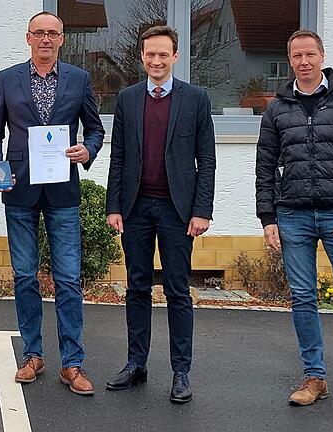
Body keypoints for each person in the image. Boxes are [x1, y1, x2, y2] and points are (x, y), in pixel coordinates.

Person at [255, 29, 333, 425]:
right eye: (297, 56)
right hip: (291, 216)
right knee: (303, 299)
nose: (304, 61)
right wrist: (268, 218)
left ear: (322, 56)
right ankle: (314, 378)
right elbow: (264, 166)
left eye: (311, 54)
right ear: (290, 60)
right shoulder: (278, 108)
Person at [0, 11, 104, 396]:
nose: (46, 39)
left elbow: (95, 128)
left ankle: (72, 363)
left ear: (62, 39)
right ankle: (33, 355)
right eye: (39, 33)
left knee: (68, 279)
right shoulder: (8, 79)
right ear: (28, 38)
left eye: (53, 33)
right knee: (24, 276)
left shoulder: (79, 79)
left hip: (63, 193)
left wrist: (88, 150)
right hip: (18, 190)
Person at [104, 26, 215, 404]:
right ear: (141, 56)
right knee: (136, 287)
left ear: (175, 57)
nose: (156, 61)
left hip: (177, 211)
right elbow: (118, 155)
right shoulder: (128, 98)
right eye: (150, 54)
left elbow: (208, 161)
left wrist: (202, 210)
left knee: (177, 289)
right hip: (136, 208)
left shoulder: (196, 99)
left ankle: (181, 371)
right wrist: (114, 205)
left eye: (163, 55)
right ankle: (136, 364)